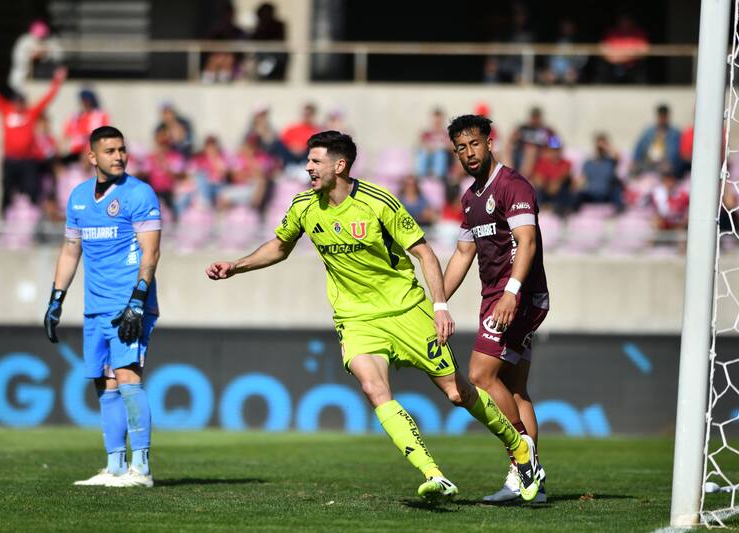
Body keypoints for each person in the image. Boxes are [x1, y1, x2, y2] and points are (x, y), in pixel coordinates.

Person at [207, 130, 542, 502]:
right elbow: (280, 246)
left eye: (315, 161)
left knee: (457, 393)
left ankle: (521, 449)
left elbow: (425, 254)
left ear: (340, 165)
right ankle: (433, 474)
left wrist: (440, 306)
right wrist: (236, 266)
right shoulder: (303, 206)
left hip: (405, 309)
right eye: (308, 161)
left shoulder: (378, 201)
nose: (308, 168)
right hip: (356, 319)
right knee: (373, 388)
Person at [43, 126, 161, 488]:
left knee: (127, 378)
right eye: (109, 150)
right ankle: (114, 467)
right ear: (92, 157)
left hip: (129, 304)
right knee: (104, 383)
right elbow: (70, 250)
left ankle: (140, 469)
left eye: (122, 149)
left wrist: (138, 301)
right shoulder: (78, 198)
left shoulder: (139, 193)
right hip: (94, 307)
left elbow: (151, 251)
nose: (119, 156)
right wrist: (55, 299)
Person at [442, 115, 549, 504]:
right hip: (498, 296)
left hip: (517, 297)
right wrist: (436, 300)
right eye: (461, 148)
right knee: (516, 388)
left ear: (490, 142)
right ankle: (527, 482)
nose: (468, 153)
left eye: (474, 144)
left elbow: (528, 242)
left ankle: (524, 462)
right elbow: (462, 253)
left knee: (480, 375)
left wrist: (511, 293)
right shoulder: (471, 198)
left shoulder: (513, 185)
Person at [0, 63, 66, 214]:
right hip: (10, 160)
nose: (19, 104)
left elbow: (47, 98)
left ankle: (32, 221)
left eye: (21, 101)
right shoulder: (6, 110)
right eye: (16, 101)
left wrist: (57, 80)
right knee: (7, 191)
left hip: (27, 160)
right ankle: (5, 219)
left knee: (32, 190)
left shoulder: (30, 113)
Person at [8, 19, 64, 92]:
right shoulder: (25, 41)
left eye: (43, 37)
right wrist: (33, 55)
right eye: (39, 37)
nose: (40, 39)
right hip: (22, 78)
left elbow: (59, 54)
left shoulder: (49, 41)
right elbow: (20, 59)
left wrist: (46, 53)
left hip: (42, 79)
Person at [573, 133, 624, 212]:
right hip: (591, 194)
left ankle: (620, 211)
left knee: (616, 189)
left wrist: (606, 147)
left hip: (606, 194)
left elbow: (618, 156)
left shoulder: (610, 162)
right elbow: (581, 180)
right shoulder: (588, 163)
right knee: (579, 195)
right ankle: (571, 212)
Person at [631, 104, 681, 176]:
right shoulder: (648, 132)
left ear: (668, 116)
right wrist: (635, 161)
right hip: (647, 164)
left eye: (664, 117)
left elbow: (675, 154)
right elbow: (639, 147)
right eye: (660, 116)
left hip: (664, 167)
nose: (662, 119)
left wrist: (670, 165)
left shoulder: (675, 134)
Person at [63, 88, 110, 163]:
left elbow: (105, 135)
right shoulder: (75, 117)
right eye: (83, 100)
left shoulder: (100, 115)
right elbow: (66, 136)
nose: (85, 103)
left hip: (92, 151)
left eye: (87, 100)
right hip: (76, 152)